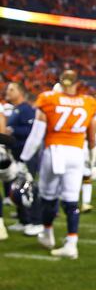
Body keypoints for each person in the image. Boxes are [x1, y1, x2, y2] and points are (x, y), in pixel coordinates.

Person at [20, 70, 96, 259]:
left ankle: (48, 234)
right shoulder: (88, 102)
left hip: (54, 152)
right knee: (72, 201)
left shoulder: (48, 99)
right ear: (77, 83)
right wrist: (93, 160)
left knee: (48, 198)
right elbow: (92, 136)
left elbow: (37, 134)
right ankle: (72, 243)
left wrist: (24, 159)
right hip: (77, 154)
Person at [3, 82, 43, 237]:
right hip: (16, 154)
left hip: (27, 154)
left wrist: (13, 130)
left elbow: (31, 131)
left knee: (29, 187)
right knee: (18, 187)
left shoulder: (26, 109)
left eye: (11, 89)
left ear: (20, 92)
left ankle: (37, 221)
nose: (8, 91)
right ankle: (24, 219)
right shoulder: (16, 109)